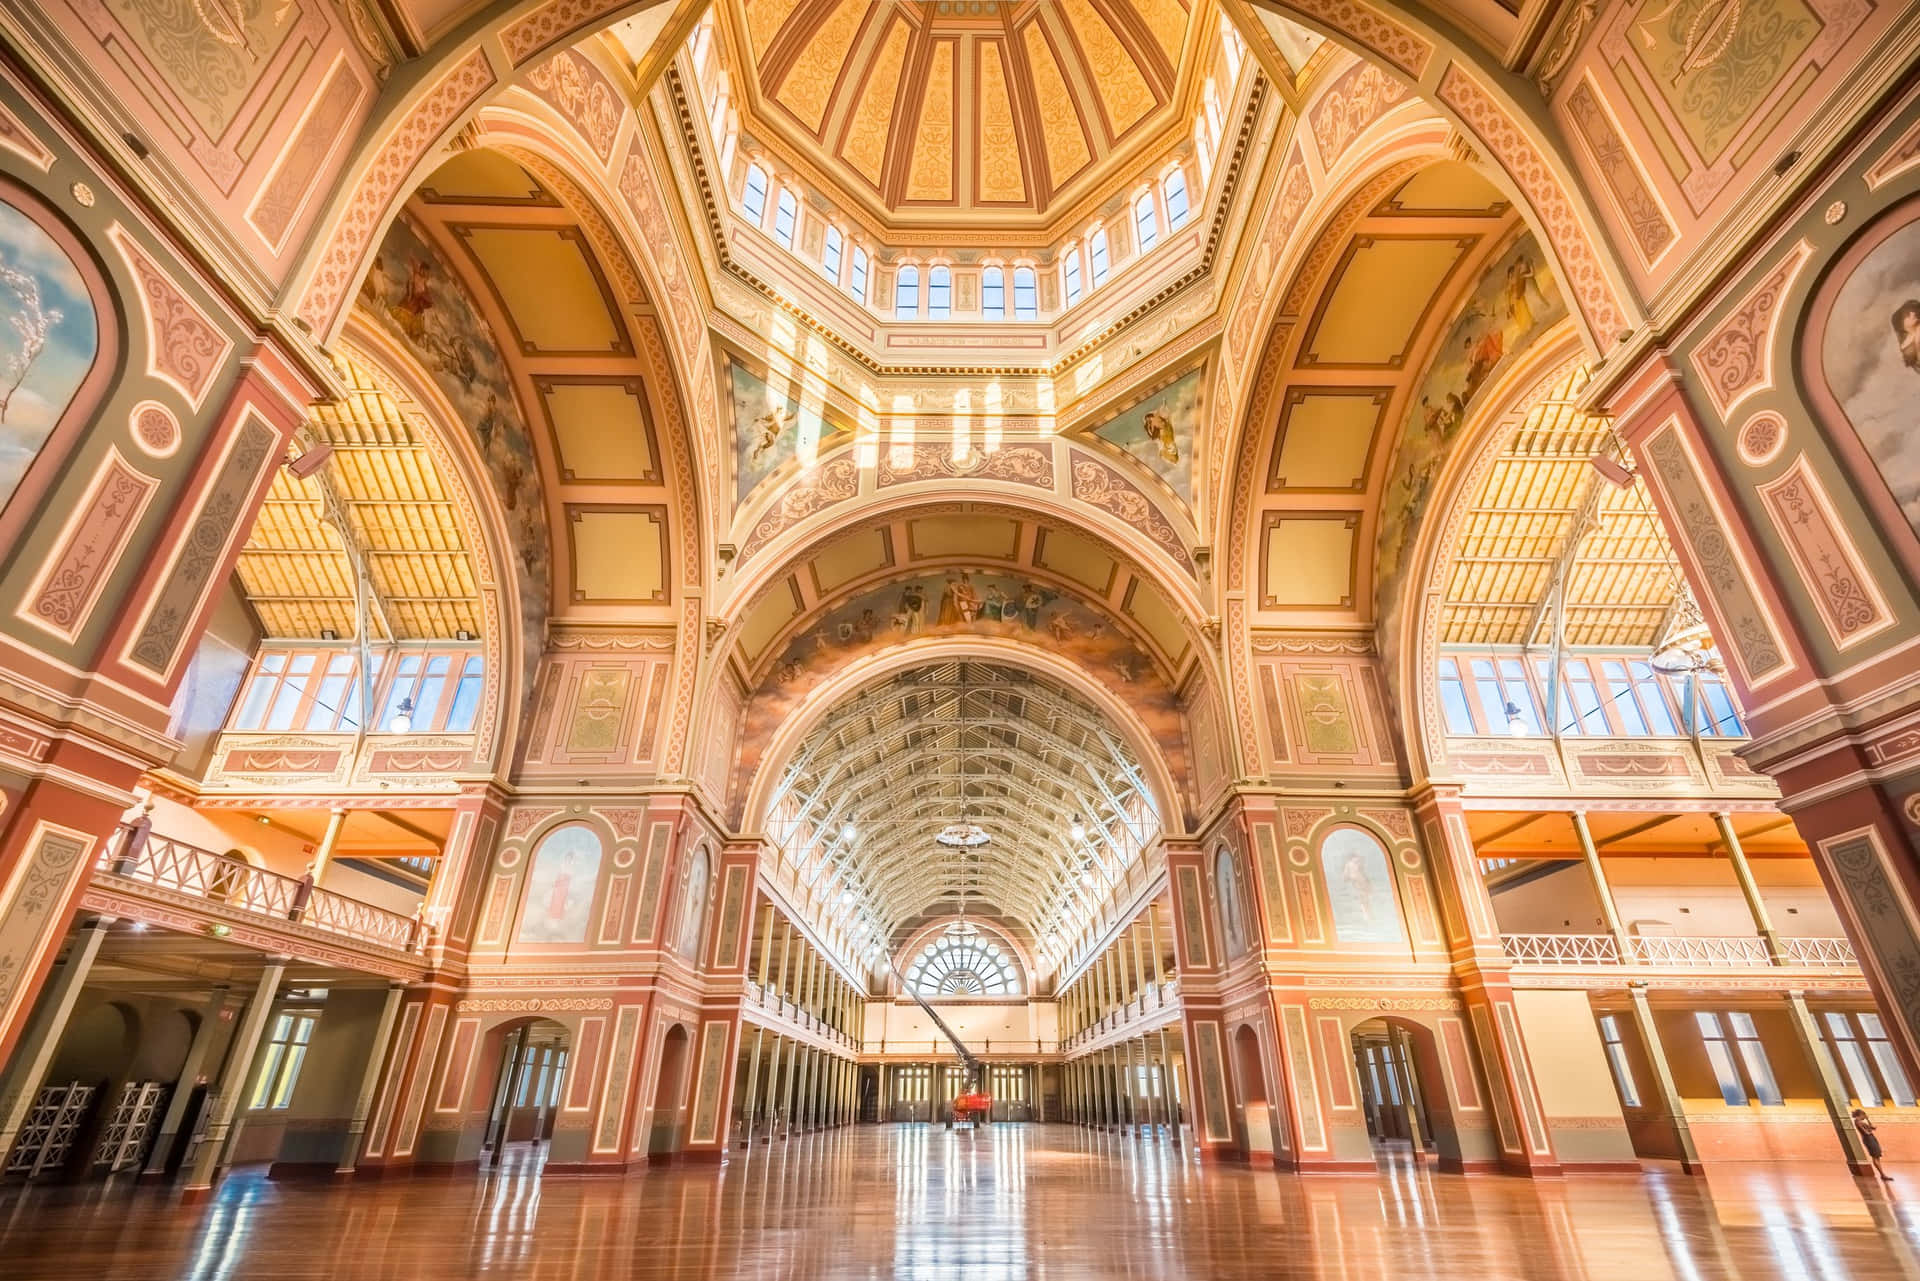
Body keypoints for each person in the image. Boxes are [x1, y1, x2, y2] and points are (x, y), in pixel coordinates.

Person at [1854, 1108, 1893, 1182]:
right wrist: (1869, 1130)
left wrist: (1868, 1121)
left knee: (1877, 1156)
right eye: (1864, 1115)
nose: (1865, 1117)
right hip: (1869, 1139)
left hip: (1870, 1138)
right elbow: (1866, 1132)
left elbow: (1872, 1127)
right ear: (1861, 1114)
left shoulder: (1860, 1122)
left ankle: (1882, 1174)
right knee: (1875, 1156)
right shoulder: (1858, 1122)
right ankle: (1882, 1175)